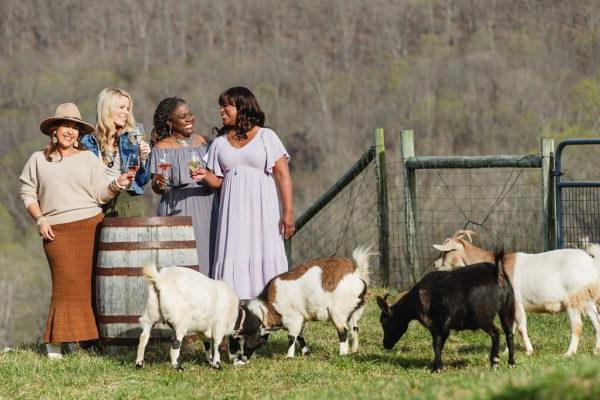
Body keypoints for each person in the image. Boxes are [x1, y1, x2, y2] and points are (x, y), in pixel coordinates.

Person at [19, 103, 134, 359]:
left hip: (90, 225)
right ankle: (53, 341)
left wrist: (117, 183)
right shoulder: (38, 160)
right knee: (65, 285)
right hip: (56, 230)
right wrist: (40, 220)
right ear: (54, 130)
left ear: (79, 133)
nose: (70, 131)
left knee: (86, 287)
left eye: (74, 127)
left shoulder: (88, 158)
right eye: (65, 126)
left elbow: (100, 193)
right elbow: (27, 194)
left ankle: (75, 339)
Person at [193, 86, 294, 300]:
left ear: (242, 106)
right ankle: (234, 308)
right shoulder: (220, 143)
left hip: (262, 209)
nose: (221, 110)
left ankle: (272, 305)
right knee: (234, 251)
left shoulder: (267, 136)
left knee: (264, 249)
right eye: (220, 106)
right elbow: (218, 180)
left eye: (226, 105)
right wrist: (204, 174)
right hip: (233, 213)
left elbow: (283, 175)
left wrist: (288, 212)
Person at [149, 97, 217, 274]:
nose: (189, 119)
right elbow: (156, 184)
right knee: (183, 263)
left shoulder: (204, 143)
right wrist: (159, 183)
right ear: (170, 122)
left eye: (190, 114)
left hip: (208, 206)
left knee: (210, 257)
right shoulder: (161, 148)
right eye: (182, 116)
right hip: (178, 207)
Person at [80, 87, 151, 216]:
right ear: (107, 108)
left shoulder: (132, 138)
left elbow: (143, 180)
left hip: (129, 201)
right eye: (121, 107)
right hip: (98, 204)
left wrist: (144, 158)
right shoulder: (88, 141)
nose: (126, 112)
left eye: (128, 109)